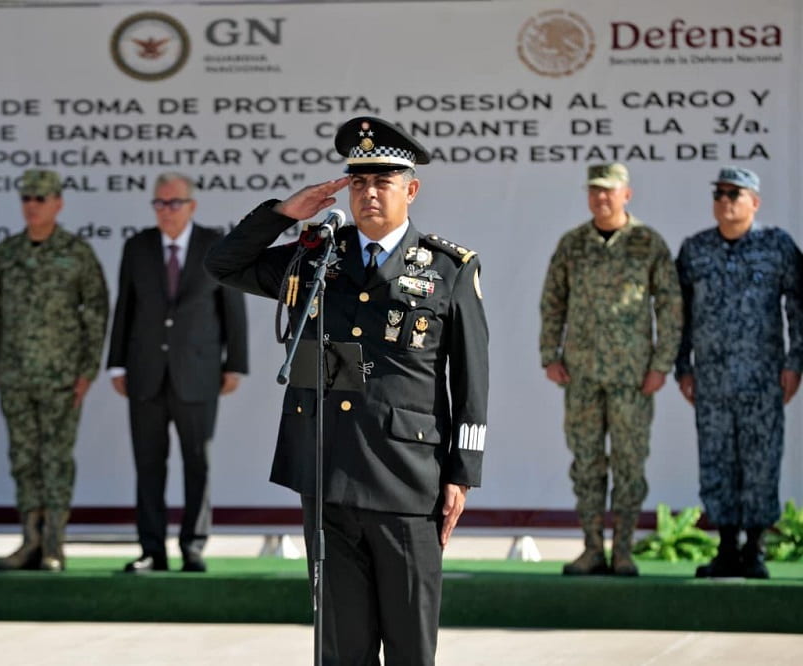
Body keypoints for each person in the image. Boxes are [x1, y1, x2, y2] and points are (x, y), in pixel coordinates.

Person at [205, 116, 488, 665]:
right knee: (340, 649)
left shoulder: (449, 268)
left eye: (382, 180)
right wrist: (285, 214)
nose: (369, 193)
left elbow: (471, 376)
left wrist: (462, 471)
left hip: (407, 479)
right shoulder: (315, 258)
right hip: (327, 472)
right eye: (358, 181)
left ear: (411, 188)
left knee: (410, 646)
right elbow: (223, 264)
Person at [540, 163, 682, 577]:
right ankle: (591, 548)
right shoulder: (573, 244)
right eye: (595, 191)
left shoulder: (647, 243)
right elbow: (553, 301)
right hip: (581, 374)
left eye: (609, 191)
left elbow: (670, 308)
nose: (601, 198)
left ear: (626, 194)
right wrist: (550, 354)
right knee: (586, 463)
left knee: (629, 462)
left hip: (632, 377)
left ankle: (623, 550)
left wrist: (661, 365)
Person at [107, 172, 248, 573]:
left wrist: (235, 363)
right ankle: (152, 549)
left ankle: (193, 546)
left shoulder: (215, 246)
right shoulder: (138, 247)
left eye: (174, 203)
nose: (166, 211)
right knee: (148, 463)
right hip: (145, 373)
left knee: (196, 462)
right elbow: (125, 308)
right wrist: (117, 362)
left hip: (199, 373)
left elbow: (232, 312)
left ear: (192, 205)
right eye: (160, 203)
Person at [675, 166, 803, 579]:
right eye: (720, 193)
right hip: (711, 381)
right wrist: (683, 366)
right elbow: (682, 316)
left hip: (763, 379)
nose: (725, 200)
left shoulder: (777, 245)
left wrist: (794, 361)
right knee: (716, 462)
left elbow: (798, 307)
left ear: (755, 202)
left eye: (735, 193)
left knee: (761, 462)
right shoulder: (695, 250)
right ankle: (727, 548)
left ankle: (756, 550)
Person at [0, 170, 109, 572]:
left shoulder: (76, 252)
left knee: (55, 459)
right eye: (27, 198)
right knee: (23, 458)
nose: (32, 204)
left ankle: (54, 543)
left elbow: (96, 313)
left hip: (61, 378)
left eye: (41, 198)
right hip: (16, 376)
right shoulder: (6, 253)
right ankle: (29, 540)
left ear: (58, 203)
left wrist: (87, 370)